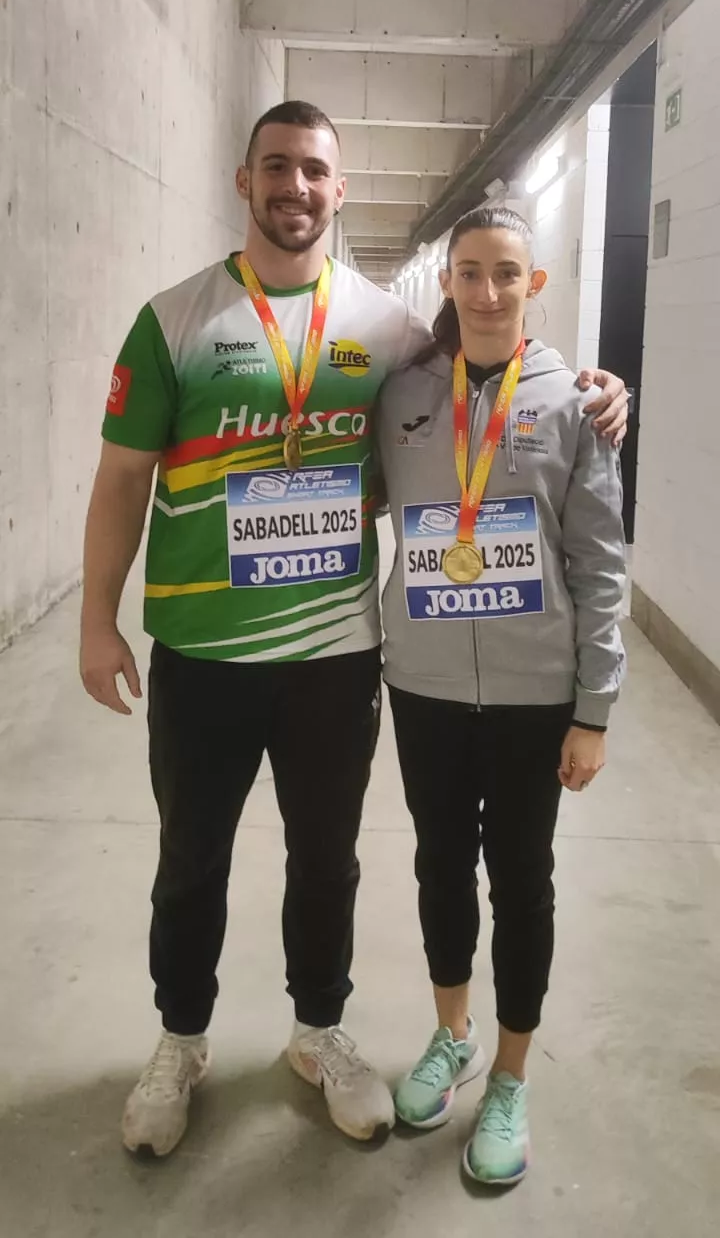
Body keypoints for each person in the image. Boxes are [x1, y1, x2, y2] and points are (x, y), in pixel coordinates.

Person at [79, 103, 627, 1159]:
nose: (296, 186)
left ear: (340, 190)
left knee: (326, 859)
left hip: (336, 654)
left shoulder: (387, 330)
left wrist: (603, 389)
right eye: (276, 167)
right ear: (245, 181)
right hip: (202, 654)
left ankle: (320, 1030)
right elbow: (120, 478)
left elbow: (493, 374)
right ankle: (181, 1038)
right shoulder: (173, 319)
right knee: (191, 857)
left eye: (315, 170)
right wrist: (97, 621)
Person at [376, 205, 626, 1187]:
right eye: (470, 272)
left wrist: (593, 710)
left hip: (534, 694)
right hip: (426, 684)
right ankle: (452, 1036)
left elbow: (602, 566)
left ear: (537, 284)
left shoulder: (576, 403)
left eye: (506, 274)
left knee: (521, 880)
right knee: (441, 863)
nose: (486, 292)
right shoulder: (401, 394)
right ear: (446, 281)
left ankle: (512, 1077)